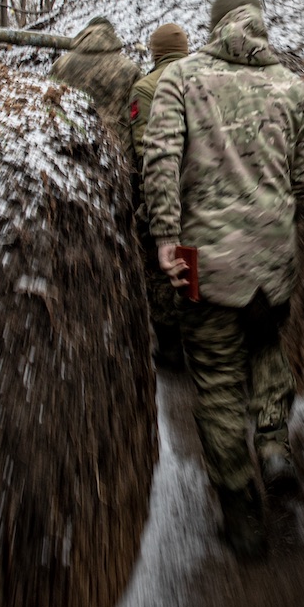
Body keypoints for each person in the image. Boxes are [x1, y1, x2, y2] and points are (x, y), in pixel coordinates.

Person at [142, 0, 304, 557]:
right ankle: (273, 448)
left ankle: (242, 519)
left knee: (216, 385)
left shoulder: (181, 78)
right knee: (266, 349)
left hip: (204, 264)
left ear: (214, 28)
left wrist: (167, 237)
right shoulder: (291, 85)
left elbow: (160, 158)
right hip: (272, 261)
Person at [127, 23, 191, 370]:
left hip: (165, 185)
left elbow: (143, 149)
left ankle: (169, 348)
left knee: (159, 266)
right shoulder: (206, 77)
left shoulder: (146, 87)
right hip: (204, 190)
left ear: (155, 51)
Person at [50, 15, 140, 130]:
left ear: (85, 34)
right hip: (119, 141)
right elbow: (138, 112)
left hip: (72, 136)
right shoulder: (129, 69)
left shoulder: (61, 64)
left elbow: (49, 100)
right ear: (111, 36)